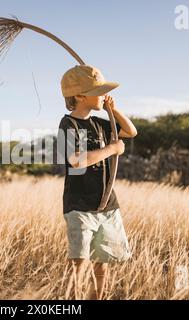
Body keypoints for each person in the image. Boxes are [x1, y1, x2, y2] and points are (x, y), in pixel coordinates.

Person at [57, 65, 138, 300]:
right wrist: (111, 148)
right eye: (99, 91)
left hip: (107, 206)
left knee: (102, 264)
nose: (104, 95)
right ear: (80, 96)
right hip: (80, 205)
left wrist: (114, 109)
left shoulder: (101, 123)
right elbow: (77, 161)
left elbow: (130, 131)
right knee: (79, 263)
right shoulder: (68, 125)